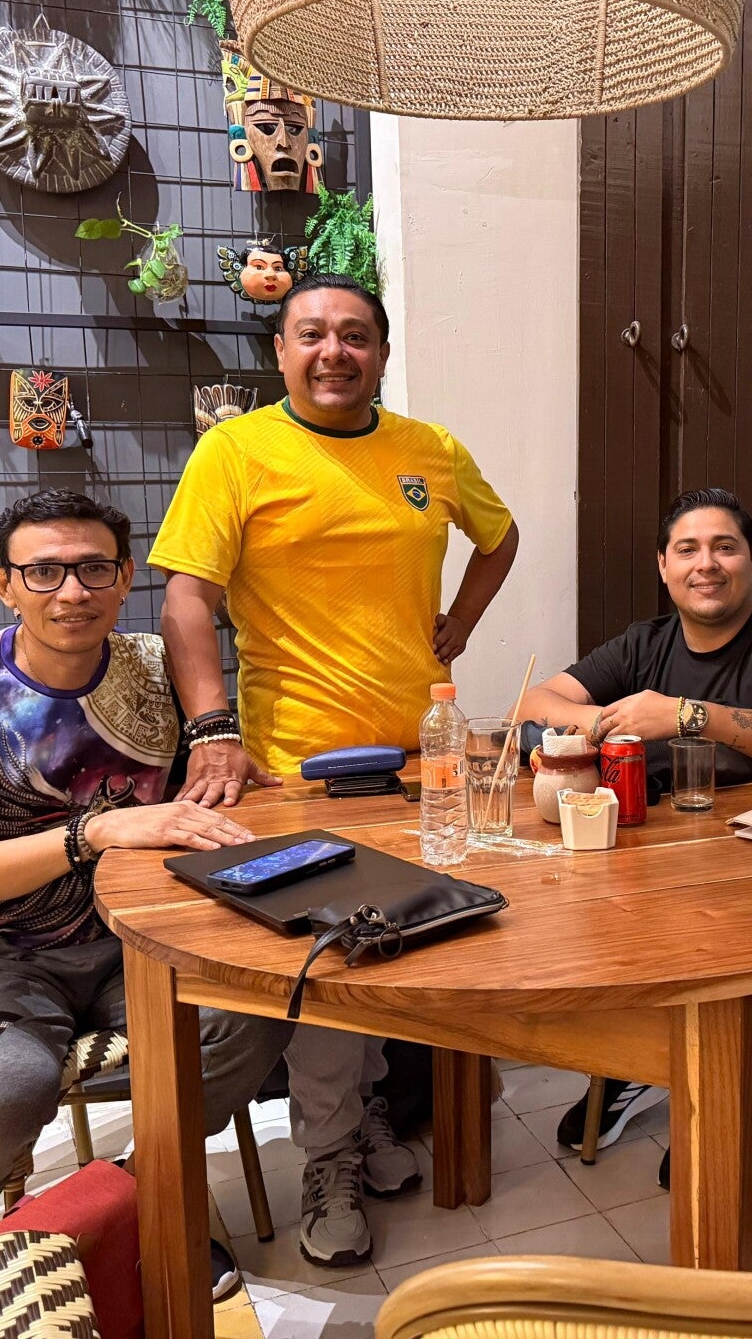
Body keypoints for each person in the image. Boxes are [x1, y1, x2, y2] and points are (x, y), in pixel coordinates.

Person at [150, 273, 520, 1266]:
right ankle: (330, 1160)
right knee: (330, 960)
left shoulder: (430, 450)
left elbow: (500, 537)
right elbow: (187, 600)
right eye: (311, 333)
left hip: (421, 761)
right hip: (298, 767)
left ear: (383, 353)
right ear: (279, 352)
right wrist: (211, 728)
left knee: (413, 946)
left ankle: (372, 1119)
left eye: (355, 335)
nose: (334, 352)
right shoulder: (235, 452)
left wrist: (459, 625)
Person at [0, 490, 293, 1296]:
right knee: (12, 1083)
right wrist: (95, 832)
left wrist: (230, 767)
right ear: (3, 584)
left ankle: (139, 1197)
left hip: (132, 937)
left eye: (92, 570)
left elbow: (200, 789)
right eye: (44, 572)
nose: (72, 592)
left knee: (257, 1011)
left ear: (125, 576)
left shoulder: (154, 669)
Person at [517, 487, 752, 1167]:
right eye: (688, 549)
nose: (707, 564)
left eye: (725, 547)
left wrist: (686, 714)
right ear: (663, 566)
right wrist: (607, 721)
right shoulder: (645, 642)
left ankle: (709, 1094)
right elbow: (533, 699)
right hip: (651, 865)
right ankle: (646, 1064)